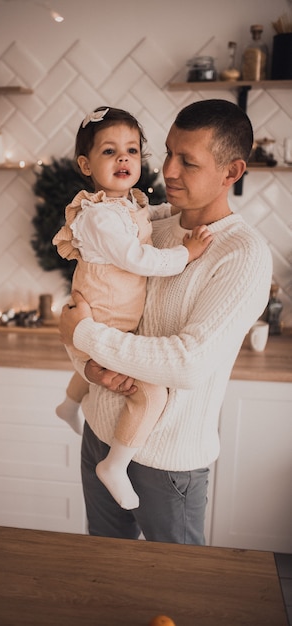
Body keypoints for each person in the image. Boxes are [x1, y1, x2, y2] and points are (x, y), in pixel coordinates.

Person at [59, 99, 273, 545]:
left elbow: (187, 363)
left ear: (231, 172)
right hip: (100, 433)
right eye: (168, 153)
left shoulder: (243, 255)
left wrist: (84, 335)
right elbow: (90, 305)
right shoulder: (145, 224)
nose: (169, 171)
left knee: (175, 595)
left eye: (188, 162)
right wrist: (87, 365)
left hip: (169, 463)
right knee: (103, 577)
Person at [52, 106, 212, 510]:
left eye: (132, 150)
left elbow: (149, 217)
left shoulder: (124, 204)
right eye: (110, 151)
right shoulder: (100, 218)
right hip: (102, 322)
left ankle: (69, 405)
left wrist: (174, 215)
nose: (124, 158)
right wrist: (184, 253)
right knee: (151, 394)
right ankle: (115, 464)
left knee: (91, 366)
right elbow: (140, 258)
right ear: (86, 165)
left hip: (105, 321)